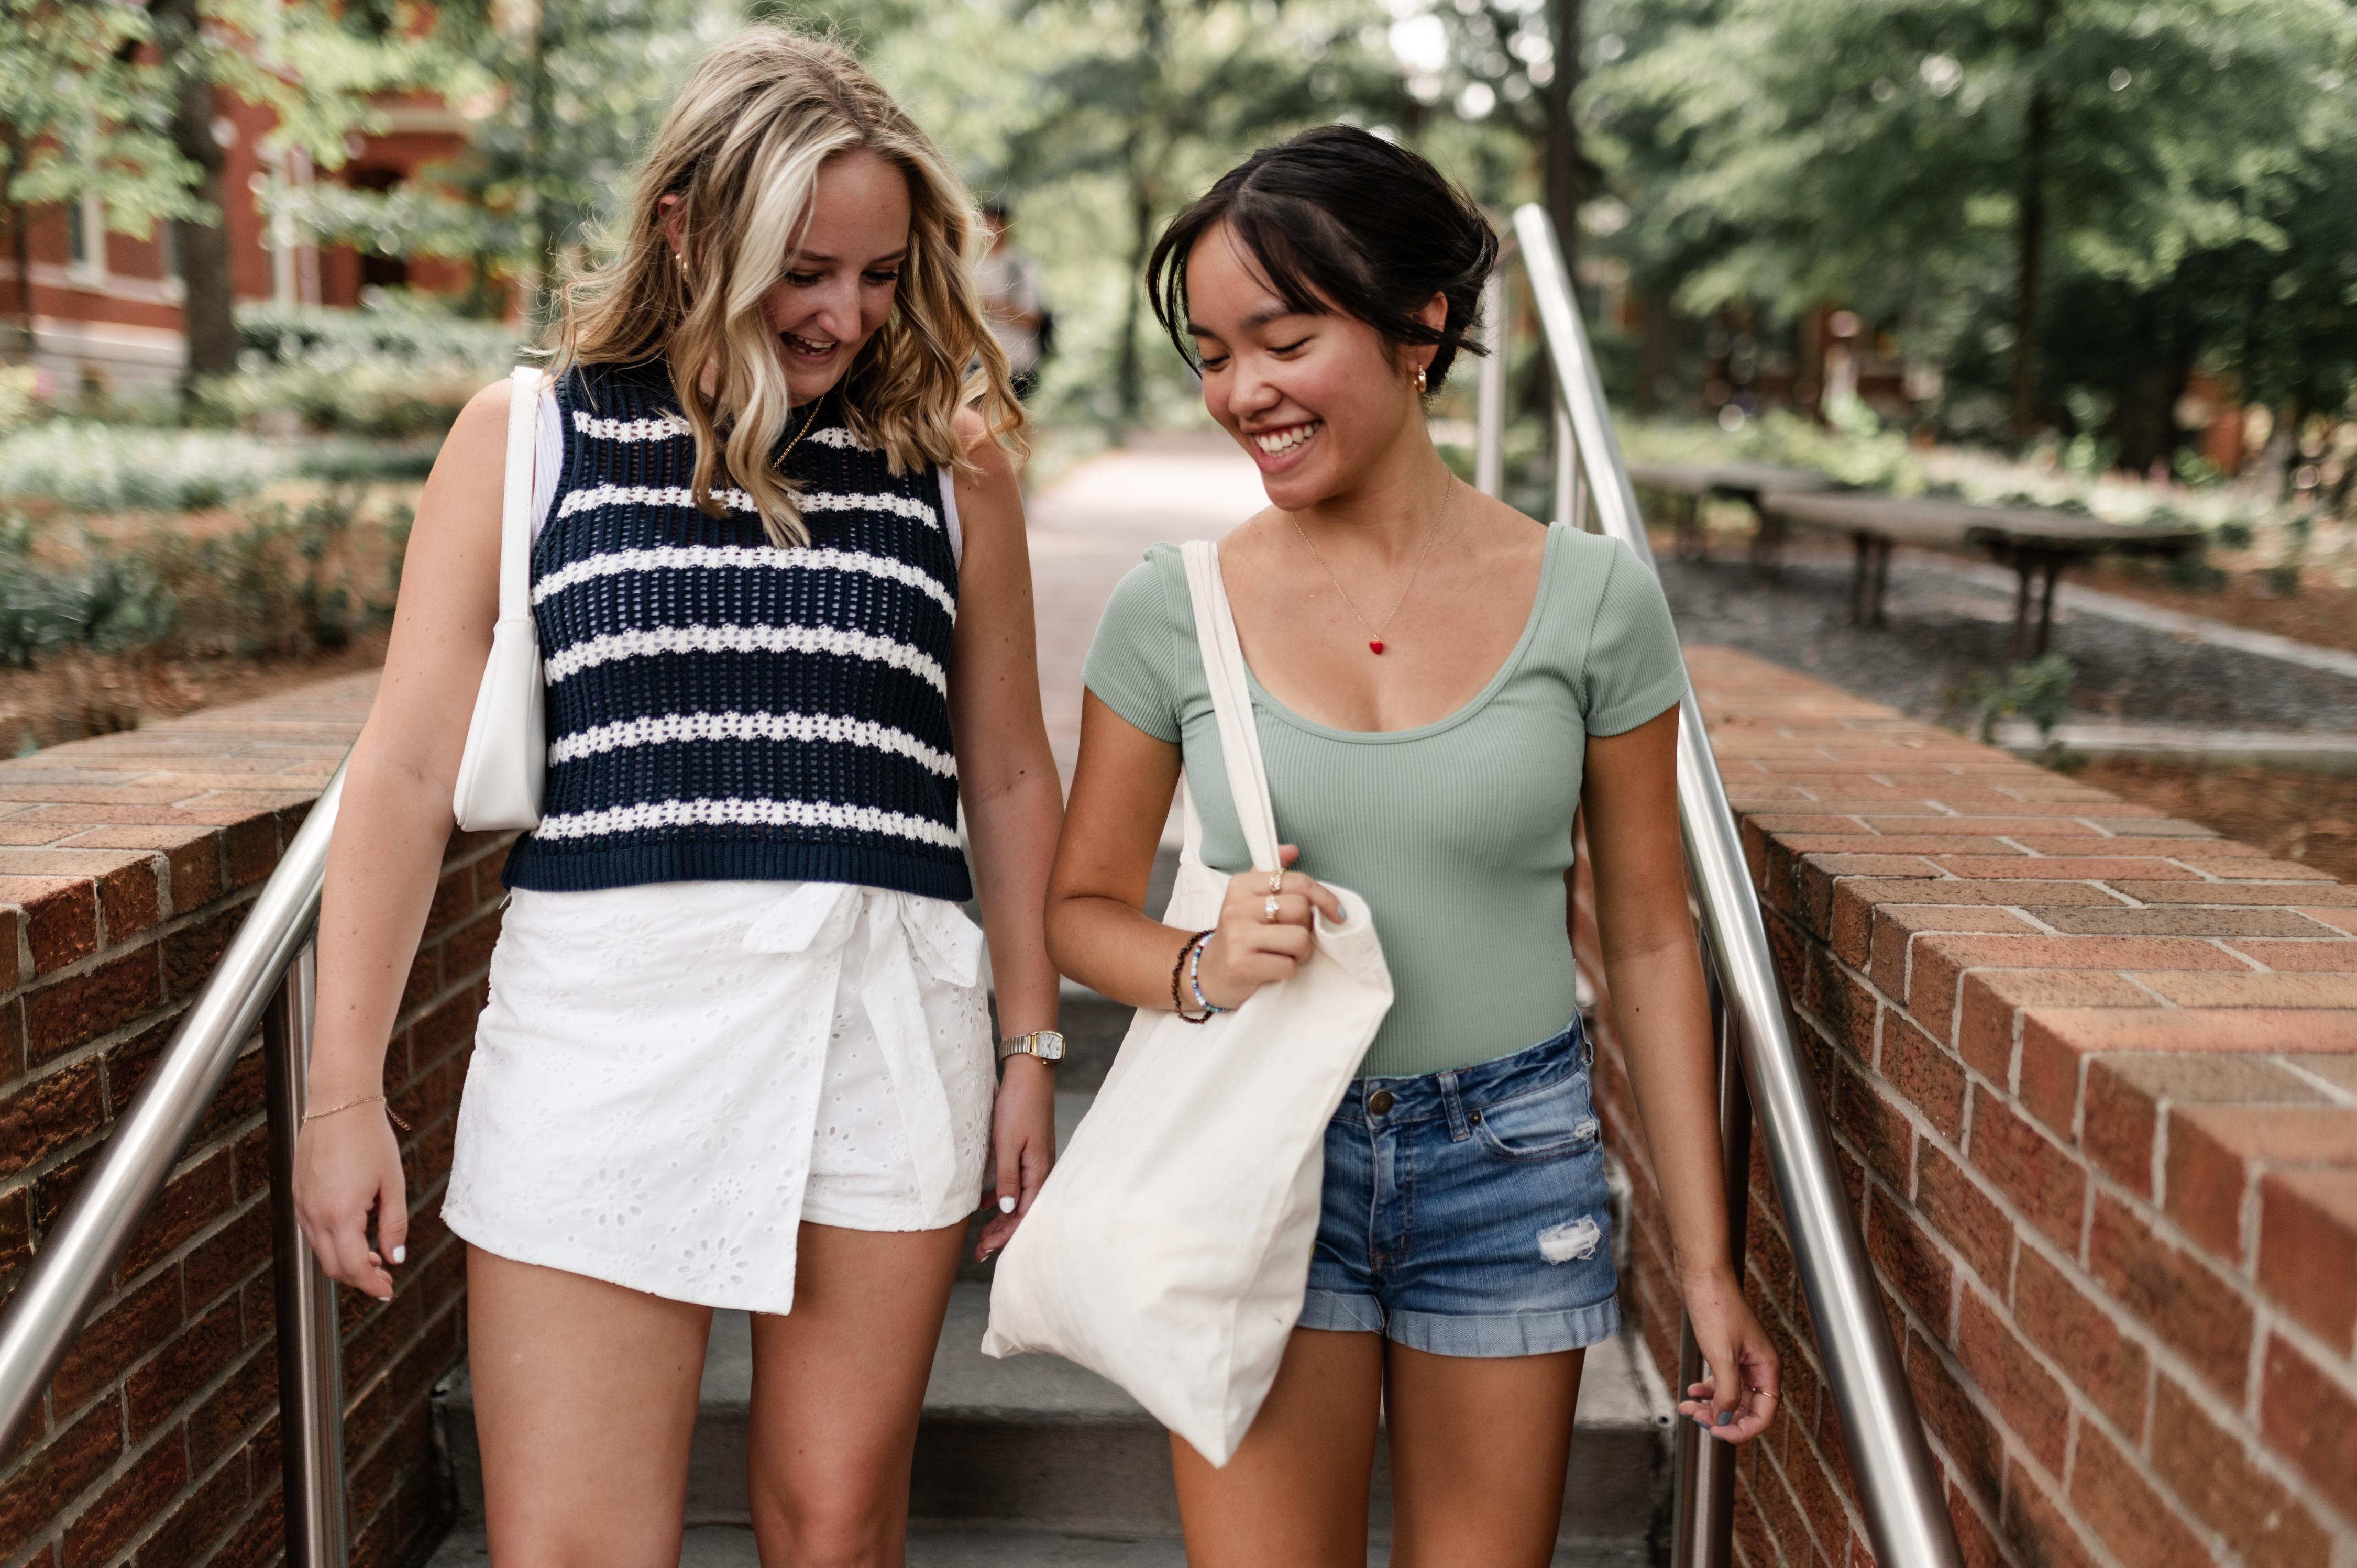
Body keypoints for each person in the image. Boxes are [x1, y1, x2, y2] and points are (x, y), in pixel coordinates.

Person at [291, 27, 1064, 1568]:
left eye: (878, 271)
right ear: (688, 227)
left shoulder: (949, 463)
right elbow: (400, 766)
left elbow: (1010, 766)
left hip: (882, 1022)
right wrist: (340, 1088)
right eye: (803, 267)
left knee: (836, 1527)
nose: (844, 312)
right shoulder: (530, 436)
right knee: (577, 1542)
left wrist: (1032, 1042)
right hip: (605, 1031)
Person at [1044, 125, 1778, 1567]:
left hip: (1511, 1162)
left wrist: (1703, 1262)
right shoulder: (1168, 607)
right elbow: (1074, 910)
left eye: (1283, 337)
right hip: (1259, 1152)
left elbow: (1644, 939)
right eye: (1211, 353)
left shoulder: (1591, 600)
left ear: (1418, 326)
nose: (1240, 391)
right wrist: (1197, 958)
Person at [974, 201, 1048, 401]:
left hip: (1015, 362)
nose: (986, 228)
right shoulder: (974, 266)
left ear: (1005, 225)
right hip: (979, 360)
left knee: (1013, 424)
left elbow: (1033, 320)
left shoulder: (1020, 268)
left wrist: (990, 304)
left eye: (991, 221)